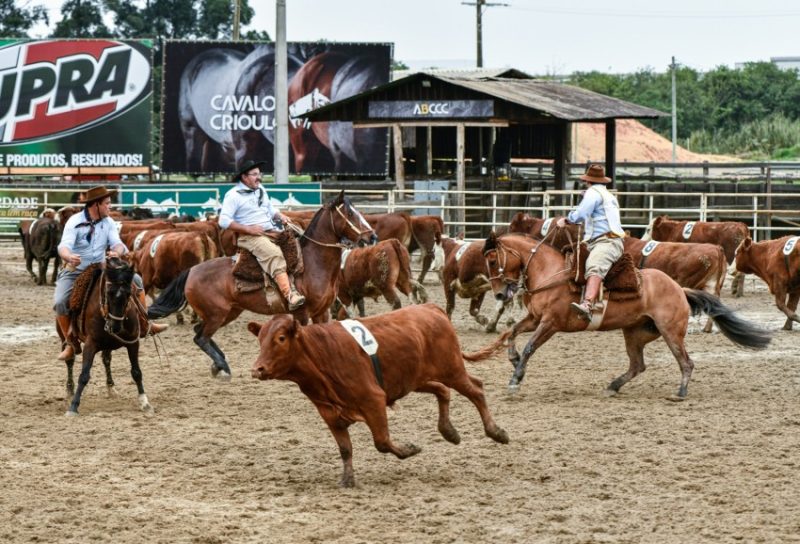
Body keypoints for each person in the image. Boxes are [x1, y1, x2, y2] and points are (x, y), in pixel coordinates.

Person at [55, 185, 168, 360]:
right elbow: (63, 246)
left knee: (136, 280)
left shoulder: (108, 222)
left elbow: (118, 243)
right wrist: (69, 256)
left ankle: (145, 324)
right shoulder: (74, 221)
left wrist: (117, 251)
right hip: (76, 270)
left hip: (101, 268)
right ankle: (70, 343)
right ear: (96, 205)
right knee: (61, 301)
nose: (110, 207)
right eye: (107, 203)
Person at [219, 160, 306, 310]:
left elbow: (271, 210)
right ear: (244, 177)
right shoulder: (232, 195)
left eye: (259, 174)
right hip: (250, 237)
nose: (258, 177)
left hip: (271, 231)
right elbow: (223, 221)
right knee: (274, 254)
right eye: (254, 174)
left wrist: (281, 216)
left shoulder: (260, 189)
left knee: (298, 242)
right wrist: (248, 229)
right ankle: (290, 295)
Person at [556, 164, 625, 322]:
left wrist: (567, 219)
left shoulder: (593, 194)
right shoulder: (607, 195)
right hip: (603, 240)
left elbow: (581, 213)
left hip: (607, 242)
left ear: (588, 181)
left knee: (595, 265)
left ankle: (587, 304)